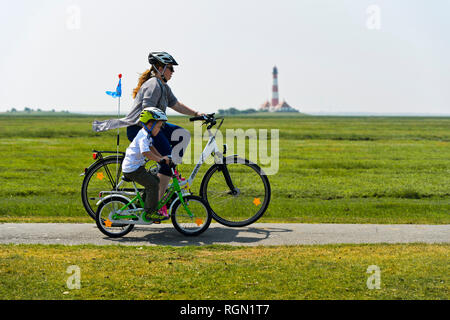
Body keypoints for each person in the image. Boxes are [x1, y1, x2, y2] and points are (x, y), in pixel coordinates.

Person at [93, 51, 205, 212]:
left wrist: (197, 114)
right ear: (160, 68)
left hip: (156, 126)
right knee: (167, 158)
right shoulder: (153, 85)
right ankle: (158, 205)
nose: (173, 72)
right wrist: (154, 132)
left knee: (183, 135)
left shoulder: (163, 86)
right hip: (141, 128)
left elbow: (176, 104)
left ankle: (167, 172)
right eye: (170, 68)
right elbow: (147, 112)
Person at [122, 107, 170, 221]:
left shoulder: (146, 134)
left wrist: (161, 157)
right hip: (132, 169)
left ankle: (140, 205)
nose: (159, 129)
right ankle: (150, 212)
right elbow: (146, 152)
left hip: (136, 167)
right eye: (159, 126)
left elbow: (151, 147)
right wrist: (159, 160)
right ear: (150, 124)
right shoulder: (143, 136)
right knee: (153, 184)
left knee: (155, 180)